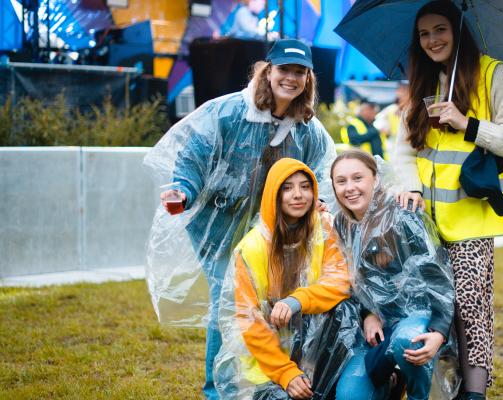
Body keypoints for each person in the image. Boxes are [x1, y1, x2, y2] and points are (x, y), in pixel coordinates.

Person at [144, 39, 336, 400]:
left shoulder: (306, 128)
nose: (291, 78)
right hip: (218, 228)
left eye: (299, 72)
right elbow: (194, 157)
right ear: (268, 70)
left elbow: (323, 169)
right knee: (228, 297)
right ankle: (217, 390)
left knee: (271, 302)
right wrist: (182, 191)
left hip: (271, 234)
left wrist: (322, 200)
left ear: (308, 78)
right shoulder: (230, 112)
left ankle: (260, 377)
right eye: (284, 69)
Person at [391, 1, 503, 399]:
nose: (432, 40)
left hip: (473, 220)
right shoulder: (425, 82)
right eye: (424, 33)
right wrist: (412, 186)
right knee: (435, 309)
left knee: (470, 310)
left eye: (440, 29)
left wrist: (467, 123)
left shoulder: (495, 75)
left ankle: (474, 393)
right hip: (426, 226)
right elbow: (404, 149)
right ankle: (445, 389)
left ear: (459, 31)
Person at [214, 158, 355, 400]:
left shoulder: (323, 228)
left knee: (345, 310)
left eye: (305, 186)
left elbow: (340, 281)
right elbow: (249, 321)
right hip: (267, 362)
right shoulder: (252, 248)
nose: (298, 195)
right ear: (273, 195)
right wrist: (285, 372)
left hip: (315, 350)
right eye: (287, 188)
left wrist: (296, 300)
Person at [331, 150, 455, 400]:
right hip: (378, 327)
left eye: (358, 178)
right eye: (341, 181)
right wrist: (368, 316)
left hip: (417, 319)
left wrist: (439, 332)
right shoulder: (341, 224)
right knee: (349, 396)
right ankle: (392, 383)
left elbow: (438, 278)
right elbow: (351, 282)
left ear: (375, 179)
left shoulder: (403, 214)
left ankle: (418, 396)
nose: (350, 188)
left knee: (406, 342)